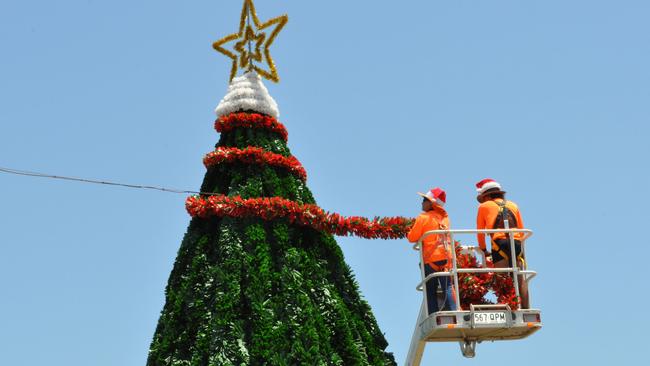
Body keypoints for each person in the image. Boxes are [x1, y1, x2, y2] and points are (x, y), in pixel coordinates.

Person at [475, 178, 530, 309]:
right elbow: (521, 229)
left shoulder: (484, 206)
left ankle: (507, 307)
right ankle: (526, 308)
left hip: (499, 243)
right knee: (520, 278)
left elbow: (480, 232)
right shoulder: (513, 205)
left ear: (487, 195)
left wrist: (483, 249)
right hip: (517, 243)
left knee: (502, 278)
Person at [408, 187, 457, 315]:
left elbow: (412, 238)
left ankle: (434, 316)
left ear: (431, 203)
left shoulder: (423, 218)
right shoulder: (445, 219)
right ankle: (455, 313)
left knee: (430, 290)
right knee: (447, 287)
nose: (422, 202)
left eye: (424, 200)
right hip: (446, 258)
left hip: (431, 259)